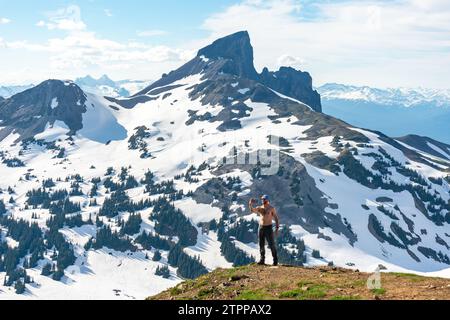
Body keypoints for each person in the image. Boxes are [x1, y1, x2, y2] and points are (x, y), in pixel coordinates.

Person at [248, 195, 280, 266]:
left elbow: (276, 218)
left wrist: (277, 227)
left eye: (264, 199)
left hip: (269, 227)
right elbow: (252, 210)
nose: (262, 200)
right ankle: (262, 260)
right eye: (262, 199)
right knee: (261, 244)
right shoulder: (260, 208)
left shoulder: (271, 208)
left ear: (267, 200)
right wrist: (250, 204)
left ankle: (275, 260)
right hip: (261, 227)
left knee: (271, 244)